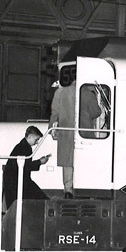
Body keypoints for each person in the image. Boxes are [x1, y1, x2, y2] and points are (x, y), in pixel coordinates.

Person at [3, 126, 50, 210]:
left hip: (15, 181)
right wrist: (40, 162)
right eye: (36, 139)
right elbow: (26, 166)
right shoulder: (26, 148)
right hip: (18, 181)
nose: (37, 142)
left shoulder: (21, 146)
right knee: (42, 199)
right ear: (30, 136)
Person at [49, 66, 77, 198]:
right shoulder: (86, 90)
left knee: (67, 162)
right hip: (84, 132)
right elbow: (96, 112)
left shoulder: (59, 93)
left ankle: (68, 189)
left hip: (65, 131)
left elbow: (55, 113)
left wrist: (52, 129)